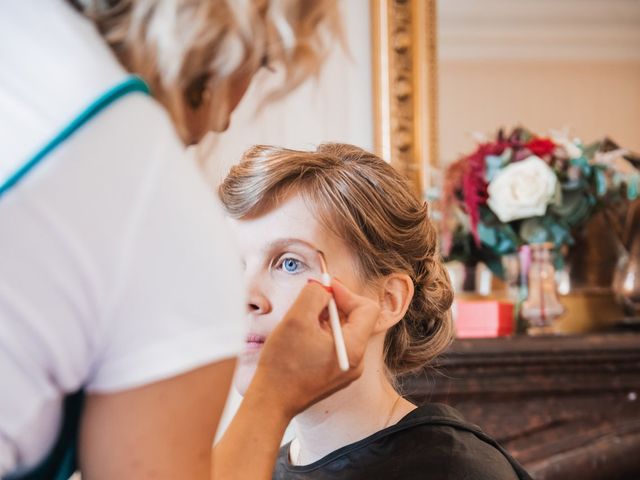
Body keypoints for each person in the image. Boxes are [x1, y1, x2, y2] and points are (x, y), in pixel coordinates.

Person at [0, 2, 379, 479]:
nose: (224, 121)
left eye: (288, 263)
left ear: (390, 300)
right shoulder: (150, 193)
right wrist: (272, 395)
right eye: (259, 63)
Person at [219, 143, 533, 479]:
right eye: (235, 266)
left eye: (290, 263)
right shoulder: (255, 468)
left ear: (389, 301)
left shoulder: (455, 469)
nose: (244, 297)